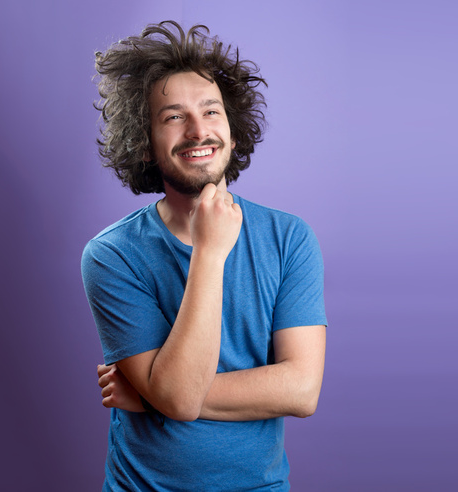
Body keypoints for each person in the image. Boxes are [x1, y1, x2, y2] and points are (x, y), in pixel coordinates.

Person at [81, 20, 327, 491]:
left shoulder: (290, 238)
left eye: (211, 111)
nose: (198, 131)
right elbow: (177, 397)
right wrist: (210, 252)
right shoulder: (111, 255)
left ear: (233, 131)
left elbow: (301, 390)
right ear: (145, 142)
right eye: (173, 116)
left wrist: (154, 394)